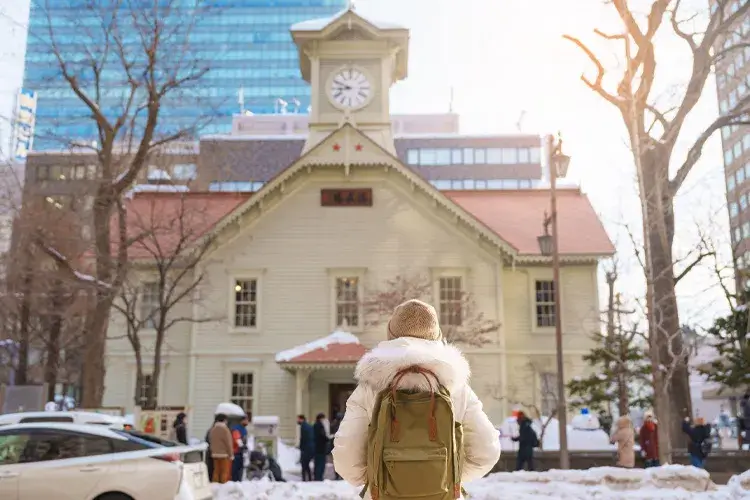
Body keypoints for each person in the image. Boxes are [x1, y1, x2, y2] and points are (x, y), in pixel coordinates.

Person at [332, 299, 501, 499]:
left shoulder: (369, 386)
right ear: (436, 335)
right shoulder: (455, 385)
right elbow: (487, 451)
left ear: (391, 335)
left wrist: (378, 478)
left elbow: (346, 456)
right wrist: (446, 477)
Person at [208, 413, 234, 484]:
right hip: (224, 454)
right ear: (224, 420)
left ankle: (215, 485)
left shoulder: (213, 429)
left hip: (214, 453)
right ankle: (223, 486)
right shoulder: (225, 430)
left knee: (216, 471)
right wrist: (231, 454)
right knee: (224, 471)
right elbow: (228, 443)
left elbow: (210, 441)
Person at [231, 415, 249, 482]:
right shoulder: (236, 429)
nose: (247, 422)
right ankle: (234, 481)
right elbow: (237, 438)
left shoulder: (244, 429)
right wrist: (242, 446)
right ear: (241, 421)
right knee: (235, 468)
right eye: (246, 420)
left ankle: (239, 480)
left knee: (241, 468)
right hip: (236, 452)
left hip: (241, 452)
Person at [313, 413, 331, 481]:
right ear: (321, 418)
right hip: (321, 448)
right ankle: (319, 477)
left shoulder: (315, 425)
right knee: (321, 464)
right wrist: (328, 439)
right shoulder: (320, 426)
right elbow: (323, 436)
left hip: (317, 448)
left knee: (317, 463)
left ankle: (317, 477)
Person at [297, 415, 315, 481]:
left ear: (301, 419)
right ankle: (309, 478)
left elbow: (303, 438)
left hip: (306, 448)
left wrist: (301, 447)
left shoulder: (303, 427)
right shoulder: (308, 426)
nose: (297, 421)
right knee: (306, 464)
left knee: (304, 464)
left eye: (298, 419)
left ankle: (304, 479)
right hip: (310, 448)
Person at [329, 408, 345, 480]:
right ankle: (340, 475)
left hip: (336, 446)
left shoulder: (334, 424)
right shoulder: (343, 424)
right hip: (341, 446)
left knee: (337, 462)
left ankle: (338, 475)